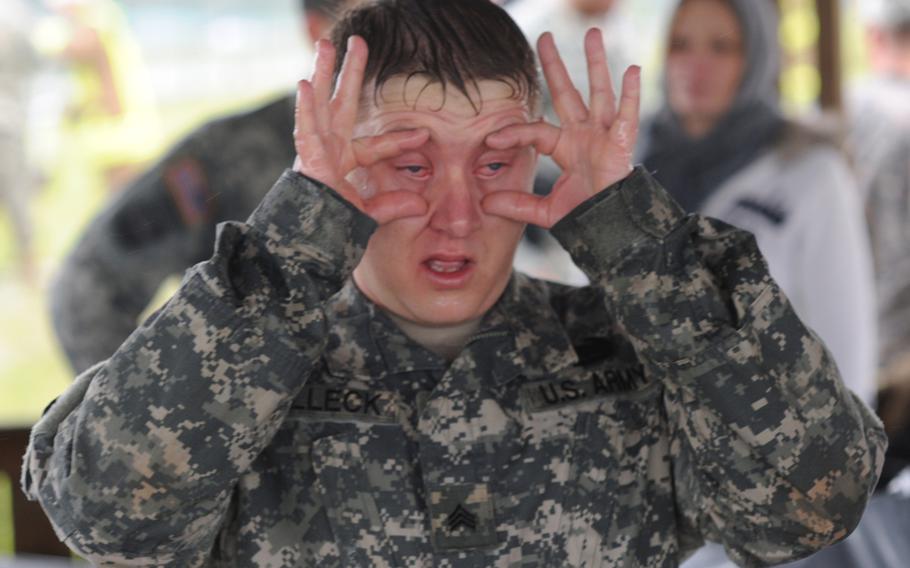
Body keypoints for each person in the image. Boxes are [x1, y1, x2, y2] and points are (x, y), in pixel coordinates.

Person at [23, 1, 885, 566]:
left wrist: (639, 241)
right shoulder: (238, 372)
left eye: (499, 160)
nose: (459, 211)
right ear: (336, 172)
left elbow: (811, 500)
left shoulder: (631, 352)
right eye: (407, 162)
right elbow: (108, 514)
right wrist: (294, 246)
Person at [48, 0, 353, 375]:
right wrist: (154, 416)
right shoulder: (234, 152)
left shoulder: (445, 161)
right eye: (385, 17)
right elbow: (87, 292)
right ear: (318, 31)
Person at [637, 0, 878, 406]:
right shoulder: (633, 166)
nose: (696, 65)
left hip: (771, 447)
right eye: (681, 44)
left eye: (721, 47)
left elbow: (846, 336)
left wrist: (840, 462)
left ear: (757, 57)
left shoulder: (807, 172)